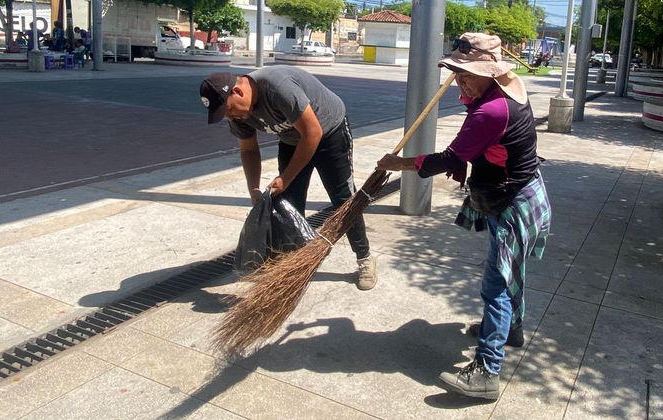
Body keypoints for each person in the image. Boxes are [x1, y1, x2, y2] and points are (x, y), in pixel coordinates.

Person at [376, 32, 552, 400]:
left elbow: (448, 159)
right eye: (456, 71)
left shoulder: (491, 109)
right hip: (522, 191)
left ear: (490, 72)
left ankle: (487, 371)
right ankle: (513, 330)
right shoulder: (506, 86)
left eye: (465, 72)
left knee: (496, 285)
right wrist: (470, 157)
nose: (458, 79)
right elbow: (482, 148)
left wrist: (399, 163)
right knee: (511, 271)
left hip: (513, 204)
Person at [199, 67, 378, 290]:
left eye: (229, 111)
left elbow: (313, 133)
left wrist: (285, 178)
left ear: (237, 91)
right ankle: (293, 263)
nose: (231, 117)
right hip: (292, 139)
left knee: (344, 200)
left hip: (329, 133)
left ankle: (364, 258)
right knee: (287, 205)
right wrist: (253, 188)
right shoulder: (237, 111)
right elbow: (248, 150)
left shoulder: (278, 87)